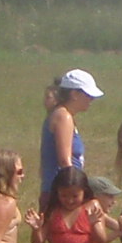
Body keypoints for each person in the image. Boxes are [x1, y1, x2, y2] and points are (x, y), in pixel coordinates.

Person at [40, 69, 100, 210]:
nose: (91, 100)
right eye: (88, 95)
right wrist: (77, 192)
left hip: (59, 191)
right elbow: (65, 162)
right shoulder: (63, 117)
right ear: (74, 94)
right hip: (62, 194)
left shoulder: (60, 114)